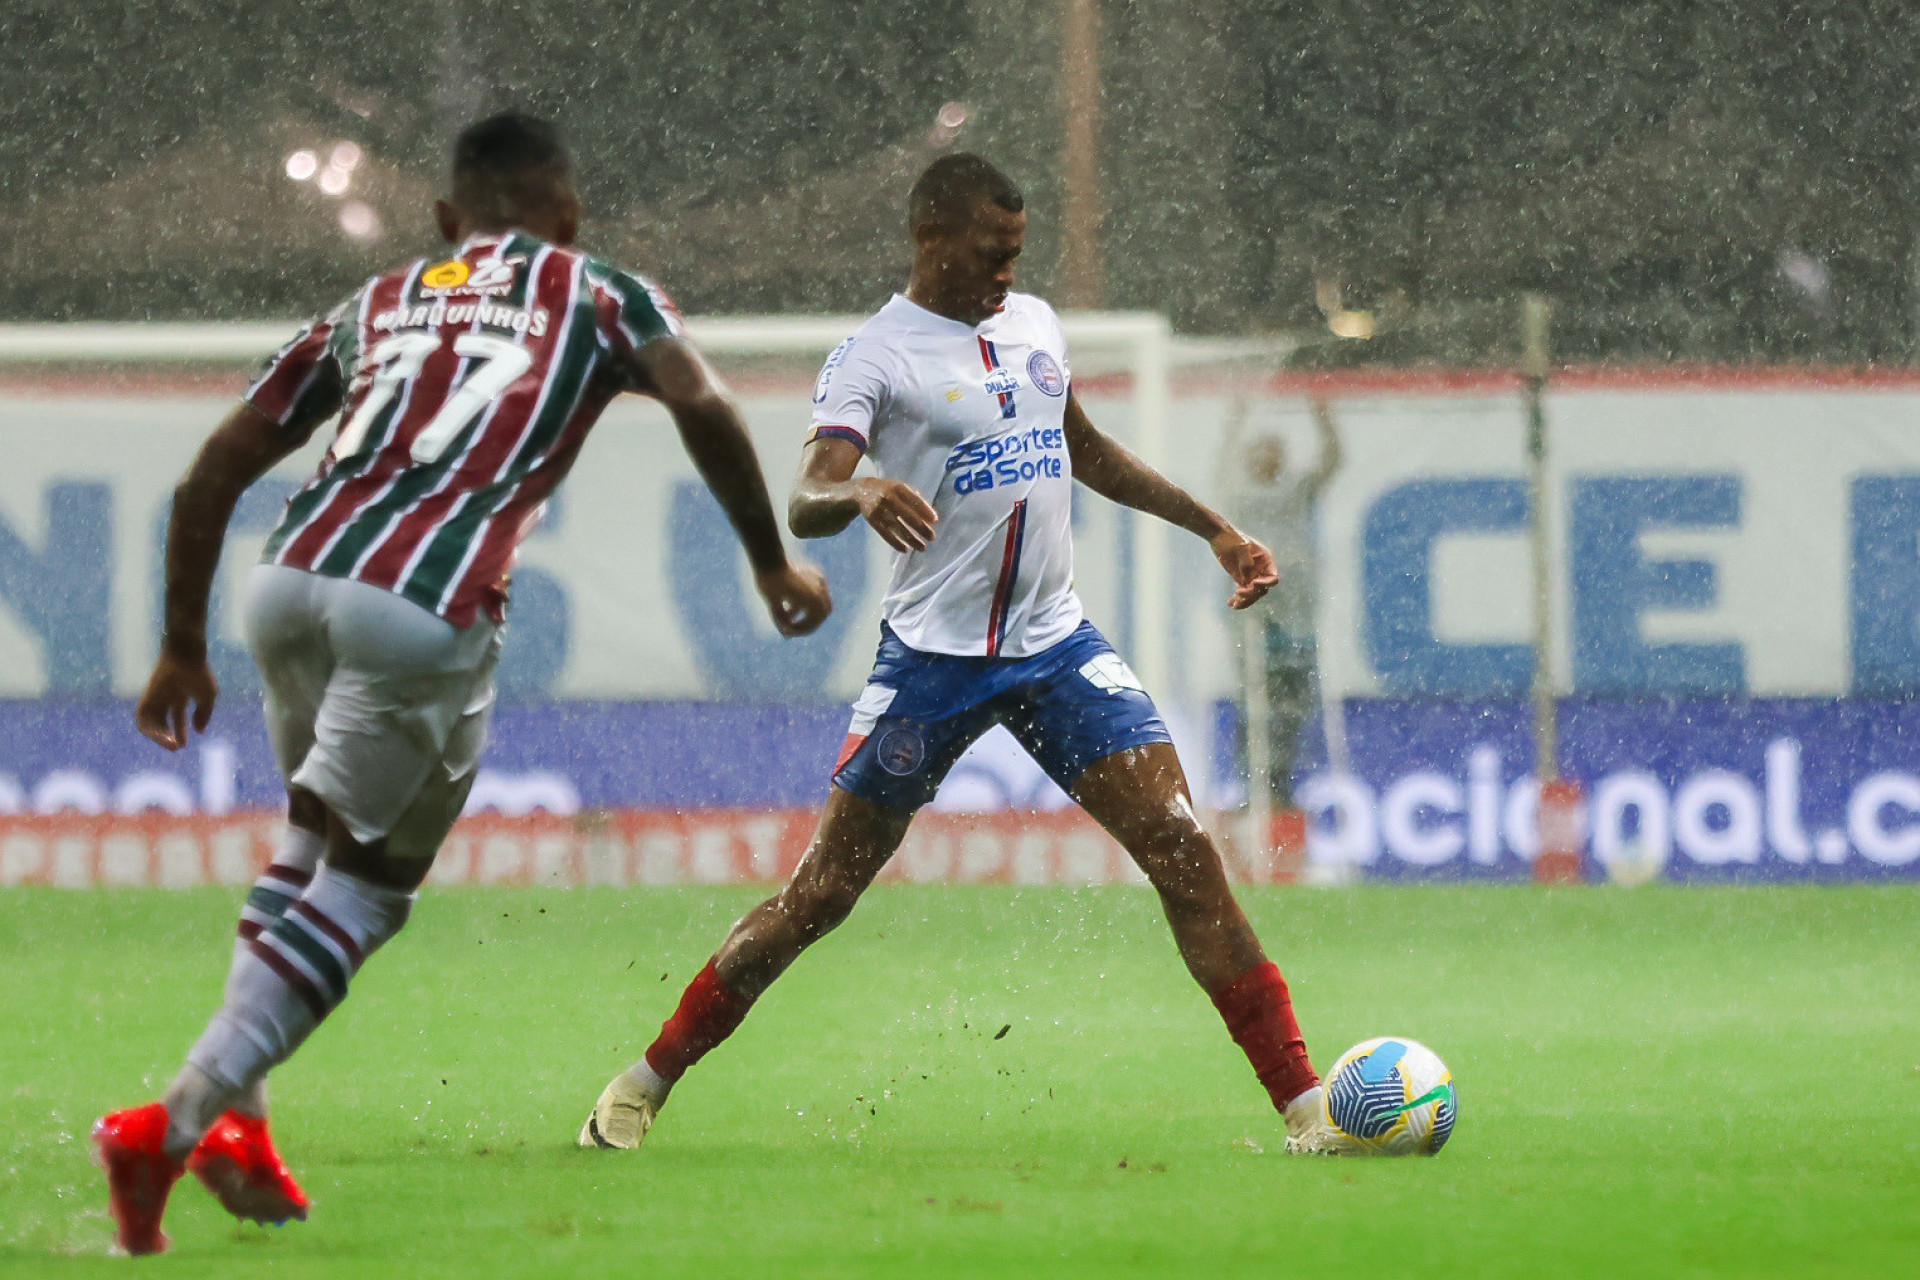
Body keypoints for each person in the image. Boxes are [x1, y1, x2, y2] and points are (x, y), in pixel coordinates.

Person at [91, 112, 832, 1256]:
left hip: (287, 580)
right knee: (369, 888)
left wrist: (182, 643)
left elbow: (219, 466)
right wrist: (769, 558)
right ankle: (176, 1120)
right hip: (419, 606)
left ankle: (243, 1122)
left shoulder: (374, 302)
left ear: (447, 218)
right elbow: (698, 400)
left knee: (306, 845)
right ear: (568, 214)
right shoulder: (598, 291)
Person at [579, 153, 1339, 1156]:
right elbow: (810, 487)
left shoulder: (1033, 326)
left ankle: (1304, 1107)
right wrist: (858, 493)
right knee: (820, 899)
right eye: (991, 251)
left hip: (1056, 645)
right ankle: (641, 1083)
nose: (1007, 273)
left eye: (1018, 253)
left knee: (1186, 854)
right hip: (932, 662)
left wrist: (1213, 527)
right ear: (931, 235)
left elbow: (1089, 450)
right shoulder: (875, 356)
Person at [1220, 396, 1341, 815]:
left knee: (1293, 706)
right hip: (1255, 620)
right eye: (1261, 450)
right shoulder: (1237, 496)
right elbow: (1219, 469)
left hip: (1296, 617)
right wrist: (1233, 423)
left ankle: (1280, 786)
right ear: (1250, 458)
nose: (1269, 457)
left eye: (1276, 450)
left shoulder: (1296, 489)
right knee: (1254, 703)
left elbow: (1332, 463)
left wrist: (1324, 419)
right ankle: (1252, 787)